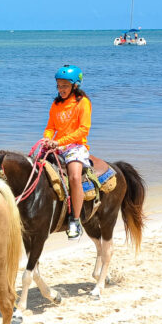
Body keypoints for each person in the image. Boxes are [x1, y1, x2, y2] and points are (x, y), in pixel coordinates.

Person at [41, 65, 92, 239]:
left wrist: (60, 142)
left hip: (76, 146)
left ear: (74, 85)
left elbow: (83, 130)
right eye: (59, 85)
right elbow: (50, 127)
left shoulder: (82, 103)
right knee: (35, 167)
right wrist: (47, 138)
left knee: (75, 177)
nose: (61, 89)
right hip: (56, 145)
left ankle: (75, 220)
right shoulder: (56, 104)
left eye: (64, 85)